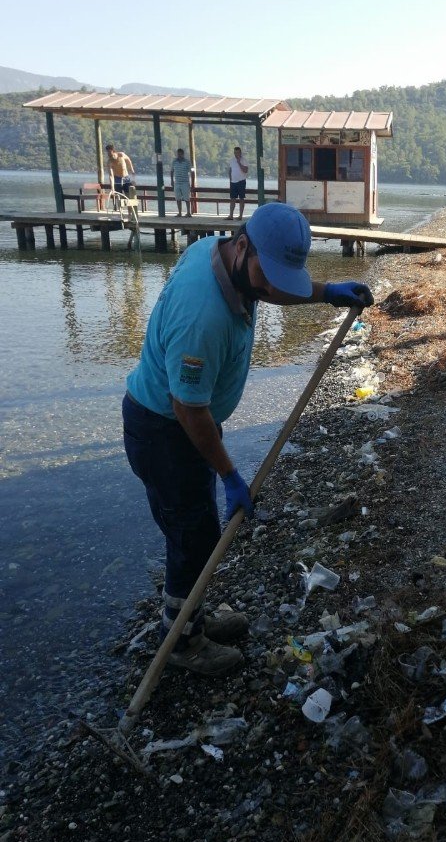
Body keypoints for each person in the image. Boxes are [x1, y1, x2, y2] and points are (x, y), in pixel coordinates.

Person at [122, 202, 373, 677]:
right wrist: (231, 473)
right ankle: (181, 643)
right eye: (267, 273)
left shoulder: (218, 257)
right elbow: (188, 408)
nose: (270, 285)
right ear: (243, 247)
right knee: (193, 538)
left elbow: (268, 286)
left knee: (194, 530)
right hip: (165, 430)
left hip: (183, 422)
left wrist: (324, 294)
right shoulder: (203, 316)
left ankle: (190, 615)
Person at [170, 148, 194, 217]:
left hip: (185, 183)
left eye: (180, 154)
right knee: (178, 198)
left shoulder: (187, 162)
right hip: (177, 182)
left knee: (187, 198)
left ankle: (188, 212)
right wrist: (172, 180)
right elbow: (172, 171)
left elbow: (192, 171)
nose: (179, 155)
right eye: (178, 154)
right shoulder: (174, 161)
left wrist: (192, 182)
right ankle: (179, 212)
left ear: (183, 154)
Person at [228, 146, 249, 219]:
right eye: (235, 152)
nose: (236, 154)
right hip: (233, 182)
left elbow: (245, 170)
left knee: (241, 198)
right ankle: (231, 215)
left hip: (241, 181)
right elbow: (230, 170)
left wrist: (239, 162)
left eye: (237, 152)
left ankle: (240, 215)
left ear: (240, 152)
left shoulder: (244, 160)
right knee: (232, 198)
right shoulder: (232, 160)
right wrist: (230, 180)